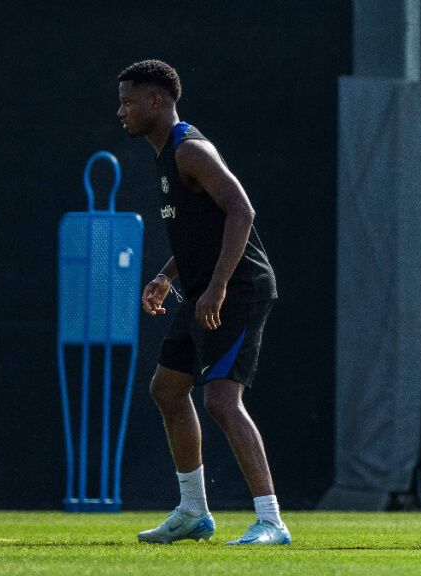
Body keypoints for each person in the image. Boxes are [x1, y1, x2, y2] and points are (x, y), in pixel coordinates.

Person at [116, 59, 290, 546]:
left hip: (238, 289)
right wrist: (165, 276)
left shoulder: (190, 149)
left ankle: (272, 521)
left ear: (156, 101)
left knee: (221, 399)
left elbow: (242, 210)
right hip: (202, 290)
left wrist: (216, 287)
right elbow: (201, 231)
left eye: (129, 102)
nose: (121, 111)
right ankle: (194, 512)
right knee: (167, 390)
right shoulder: (164, 155)